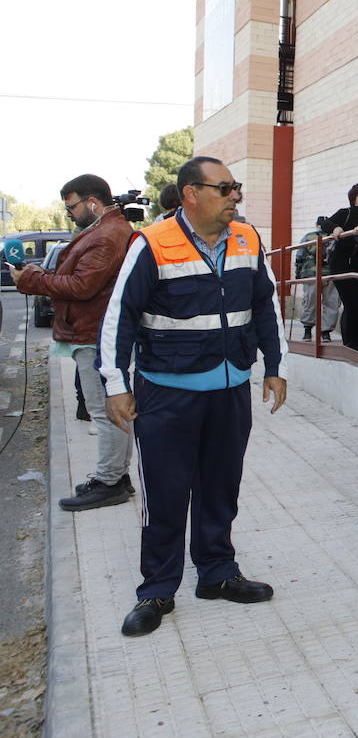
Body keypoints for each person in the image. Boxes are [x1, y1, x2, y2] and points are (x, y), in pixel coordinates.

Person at [99, 156, 288, 637]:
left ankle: (218, 573)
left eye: (235, 188)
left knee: (220, 486)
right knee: (165, 493)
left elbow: (265, 305)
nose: (235, 196)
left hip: (229, 391)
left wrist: (275, 366)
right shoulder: (152, 244)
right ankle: (157, 590)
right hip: (167, 395)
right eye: (224, 188)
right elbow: (119, 317)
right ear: (191, 193)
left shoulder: (247, 239)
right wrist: (116, 385)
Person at [12, 174, 135, 510]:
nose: (69, 214)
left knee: (106, 411)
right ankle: (115, 475)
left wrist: (34, 279)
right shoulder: (106, 230)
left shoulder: (107, 235)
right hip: (95, 331)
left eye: (72, 207)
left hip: (95, 334)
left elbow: (82, 287)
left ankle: (111, 481)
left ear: (92, 203)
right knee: (111, 410)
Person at [321, 184, 358, 350]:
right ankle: (351, 342)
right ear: (353, 198)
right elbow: (324, 223)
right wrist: (335, 228)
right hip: (342, 265)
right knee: (352, 303)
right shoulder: (346, 213)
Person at [294, 221, 339, 342]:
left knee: (310, 302)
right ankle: (326, 333)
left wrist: (298, 273)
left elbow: (300, 255)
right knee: (331, 303)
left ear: (316, 225)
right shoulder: (333, 237)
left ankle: (307, 331)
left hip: (311, 273)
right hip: (330, 274)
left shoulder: (308, 237)